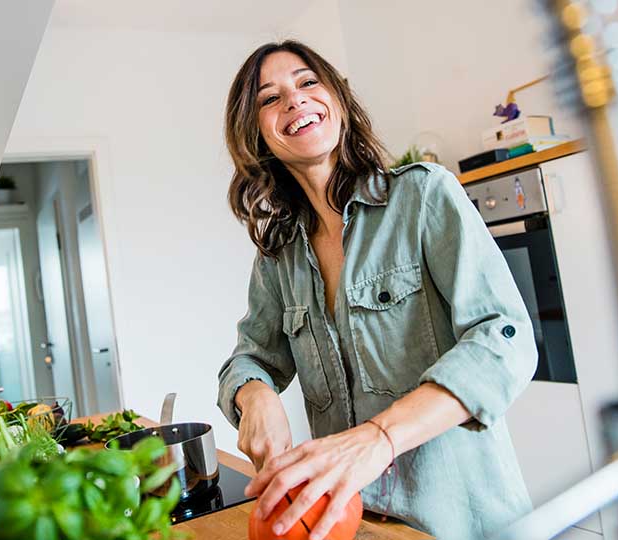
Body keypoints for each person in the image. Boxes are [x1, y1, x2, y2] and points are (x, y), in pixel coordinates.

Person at [217, 40, 537, 540]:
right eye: (269, 98)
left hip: (462, 523)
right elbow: (251, 356)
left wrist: (379, 437)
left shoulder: (423, 194)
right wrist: (254, 394)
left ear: (337, 100)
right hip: (354, 524)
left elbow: (505, 340)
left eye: (307, 83)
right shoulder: (278, 255)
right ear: (256, 134)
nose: (294, 101)